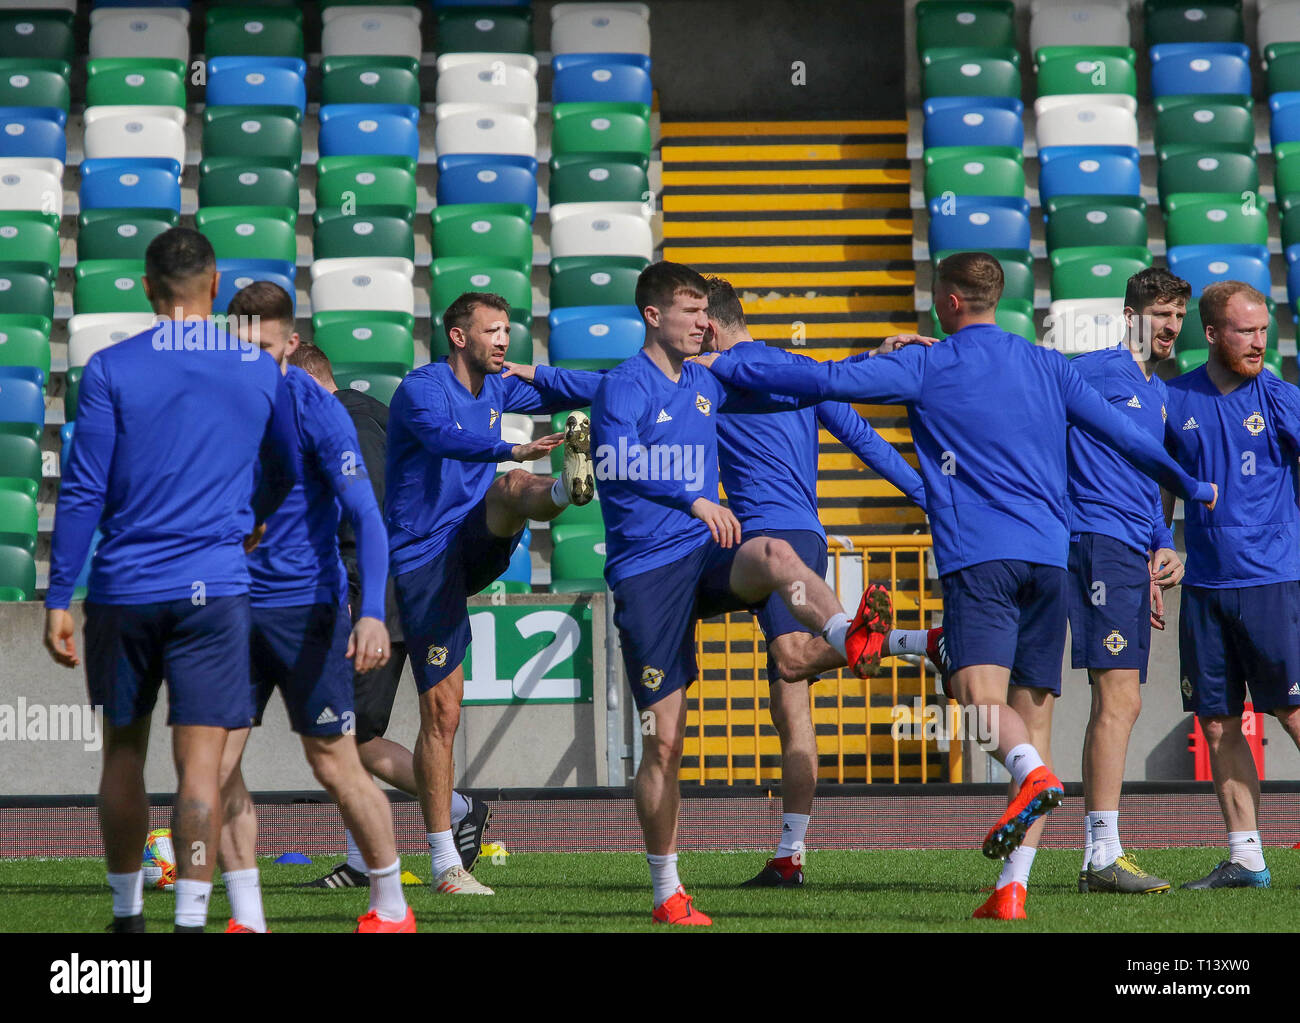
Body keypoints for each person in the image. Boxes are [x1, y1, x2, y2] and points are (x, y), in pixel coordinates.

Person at [697, 251, 1218, 921]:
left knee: (977, 704)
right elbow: (1124, 434)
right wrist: (1193, 486)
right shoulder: (1047, 363)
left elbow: (822, 377)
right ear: (996, 297)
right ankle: (1012, 886)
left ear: (946, 302)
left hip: (981, 561)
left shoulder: (926, 363)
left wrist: (724, 364)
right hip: (1052, 562)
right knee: (1028, 716)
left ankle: (1024, 762)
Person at [591, 261, 895, 926]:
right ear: (653, 315)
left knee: (777, 566)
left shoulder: (711, 377)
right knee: (666, 742)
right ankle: (670, 888)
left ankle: (851, 636)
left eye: (706, 311)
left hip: (716, 547)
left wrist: (875, 360)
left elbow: (808, 383)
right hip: (649, 571)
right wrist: (693, 495)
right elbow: (612, 455)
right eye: (689, 310)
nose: (701, 322)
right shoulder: (630, 383)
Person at [43, 228, 299, 933]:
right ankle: (191, 917)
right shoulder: (256, 368)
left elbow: (83, 490)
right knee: (199, 766)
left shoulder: (109, 369)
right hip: (214, 590)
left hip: (125, 586)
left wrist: (60, 594)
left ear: (148, 288)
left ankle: (127, 917)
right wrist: (253, 516)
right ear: (215, 286)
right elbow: (284, 466)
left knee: (123, 749)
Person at [703, 275, 939, 887]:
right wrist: (931, 499)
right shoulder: (803, 373)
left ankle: (915, 644)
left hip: (760, 546)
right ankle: (791, 854)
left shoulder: (710, 376)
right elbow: (867, 443)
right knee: (792, 705)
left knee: (789, 661)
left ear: (706, 323)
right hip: (807, 538)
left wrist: (541, 384)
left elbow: (629, 391)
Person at [214, 283, 414, 933]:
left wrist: (374, 611)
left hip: (308, 608)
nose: (250, 359)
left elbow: (365, 512)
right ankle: (248, 916)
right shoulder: (208, 403)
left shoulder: (314, 406)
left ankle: (390, 904)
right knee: (212, 765)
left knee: (333, 760)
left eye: (264, 348)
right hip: (226, 610)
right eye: (239, 345)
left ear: (290, 343)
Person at [386, 292, 600, 895]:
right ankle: (444, 863)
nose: (504, 340)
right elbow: (442, 438)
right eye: (492, 331)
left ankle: (564, 490)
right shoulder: (421, 389)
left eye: (508, 330)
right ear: (459, 337)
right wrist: (508, 445)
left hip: (472, 544)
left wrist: (543, 374)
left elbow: (579, 390)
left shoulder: (503, 386)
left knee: (511, 487)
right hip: (419, 563)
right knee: (440, 714)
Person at [288, 342, 491, 889]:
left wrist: (360, 598)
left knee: (350, 735)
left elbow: (372, 512)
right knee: (352, 731)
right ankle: (370, 854)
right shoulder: (371, 411)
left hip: (385, 595)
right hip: (401, 587)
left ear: (306, 383)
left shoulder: (345, 427)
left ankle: (449, 812)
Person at [1163, 280, 1300, 890]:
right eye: (1245, 331)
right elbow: (1160, 480)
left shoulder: (1280, 398)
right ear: (1212, 333)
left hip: (1273, 582)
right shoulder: (1175, 398)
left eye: (1263, 329)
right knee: (1217, 722)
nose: (1258, 341)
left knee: (1293, 711)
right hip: (1206, 586)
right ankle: (1246, 859)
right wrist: (1160, 543)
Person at [1067, 268, 1190, 897]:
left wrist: (1162, 547)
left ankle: (1096, 852)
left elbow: (1153, 482)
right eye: (1159, 314)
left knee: (1121, 698)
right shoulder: (1093, 371)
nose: (1170, 327)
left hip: (1128, 552)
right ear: (1129, 313)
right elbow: (1023, 381)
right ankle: (1100, 854)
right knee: (1116, 697)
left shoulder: (1160, 392)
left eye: (1177, 316)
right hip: (1093, 540)